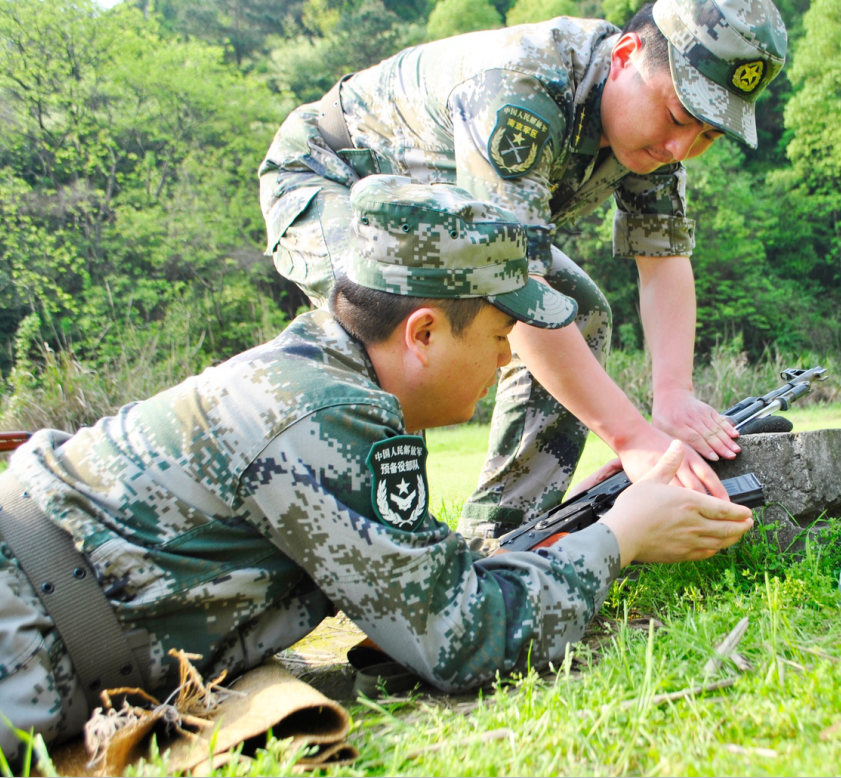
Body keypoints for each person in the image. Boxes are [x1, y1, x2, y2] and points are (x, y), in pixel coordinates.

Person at [0, 177, 754, 762]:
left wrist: (585, 518)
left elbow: (430, 579)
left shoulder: (322, 380)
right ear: (423, 333)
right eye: (498, 338)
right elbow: (463, 638)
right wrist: (621, 536)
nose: (504, 364)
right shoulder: (326, 414)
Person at [258, 0, 788, 543]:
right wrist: (632, 438)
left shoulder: (654, 136)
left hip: (442, 212)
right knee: (404, 329)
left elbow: (664, 260)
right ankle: (389, 555)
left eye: (707, 136)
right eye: (677, 117)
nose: (681, 146)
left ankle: (503, 543)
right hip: (330, 176)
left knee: (575, 314)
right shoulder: (523, 88)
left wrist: (672, 396)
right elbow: (512, 286)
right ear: (627, 56)